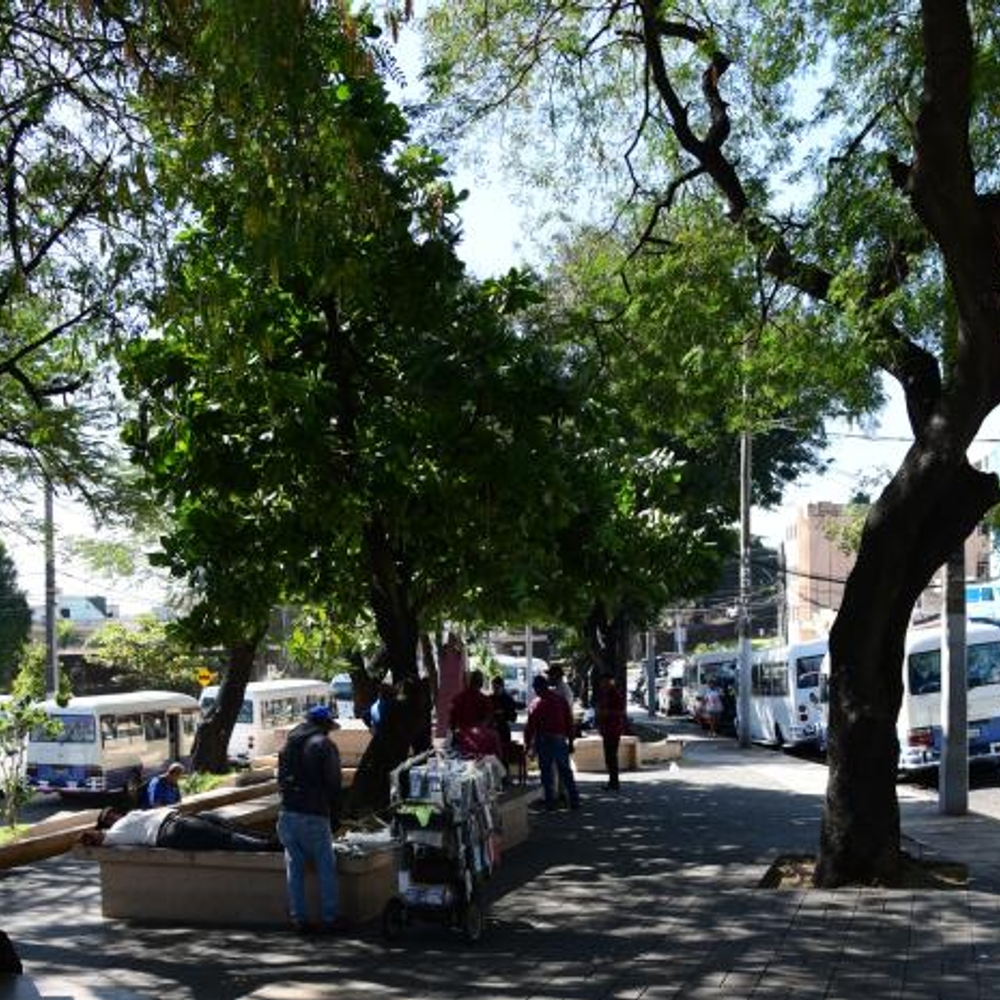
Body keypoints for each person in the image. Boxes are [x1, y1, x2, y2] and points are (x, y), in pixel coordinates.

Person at [277, 704, 343, 934]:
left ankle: (299, 918)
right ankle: (330, 917)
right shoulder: (324, 745)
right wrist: (336, 815)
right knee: (326, 866)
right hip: (313, 814)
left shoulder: (288, 745)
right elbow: (334, 784)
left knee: (294, 869)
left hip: (286, 814)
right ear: (325, 726)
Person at [80, 806, 278, 852]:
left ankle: (273, 840)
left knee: (227, 824)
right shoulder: (117, 831)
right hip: (171, 830)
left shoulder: (131, 814)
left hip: (180, 818)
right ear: (107, 822)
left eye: (113, 811)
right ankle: (271, 847)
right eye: (109, 816)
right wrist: (87, 836)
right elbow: (99, 838)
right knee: (225, 838)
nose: (115, 814)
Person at [523, 675, 579, 811]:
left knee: (547, 772)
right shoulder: (560, 700)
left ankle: (550, 802)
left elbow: (530, 727)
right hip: (559, 739)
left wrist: (528, 744)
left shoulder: (536, 704)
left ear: (538, 687)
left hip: (544, 740)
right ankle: (574, 800)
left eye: (535, 688)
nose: (535, 690)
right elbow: (569, 722)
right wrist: (571, 741)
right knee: (565, 771)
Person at [595, 672, 626, 791]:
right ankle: (612, 781)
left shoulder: (615, 694)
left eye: (604, 681)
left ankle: (614, 782)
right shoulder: (604, 694)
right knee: (609, 756)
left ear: (609, 681)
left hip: (613, 729)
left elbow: (620, 712)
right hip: (606, 729)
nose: (602, 684)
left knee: (611, 756)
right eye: (602, 682)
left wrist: (607, 712)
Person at [489, 674, 518, 775]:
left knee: (504, 755)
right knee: (491, 755)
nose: (495, 690)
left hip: (503, 730)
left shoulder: (508, 699)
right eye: (493, 687)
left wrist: (504, 713)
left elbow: (514, 717)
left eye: (497, 687)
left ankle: (505, 776)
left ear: (502, 687)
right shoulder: (490, 699)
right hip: (491, 731)